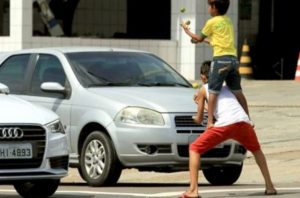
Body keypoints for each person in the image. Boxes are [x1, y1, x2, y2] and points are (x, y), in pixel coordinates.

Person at [179, 61, 277, 198]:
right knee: (256, 150)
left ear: (202, 77)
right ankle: (270, 186)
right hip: (242, 121)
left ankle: (193, 190)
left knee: (194, 148)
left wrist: (197, 106)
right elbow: (225, 108)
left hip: (225, 125)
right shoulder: (228, 86)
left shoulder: (204, 89)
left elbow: (200, 119)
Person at [181, 0, 249, 129]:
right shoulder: (227, 21)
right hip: (233, 60)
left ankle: (210, 121)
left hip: (220, 60)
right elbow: (215, 41)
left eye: (209, 6)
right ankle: (248, 119)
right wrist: (200, 41)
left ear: (214, 8)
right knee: (238, 91)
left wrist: (187, 31)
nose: (208, 9)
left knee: (212, 92)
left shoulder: (211, 22)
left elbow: (199, 38)